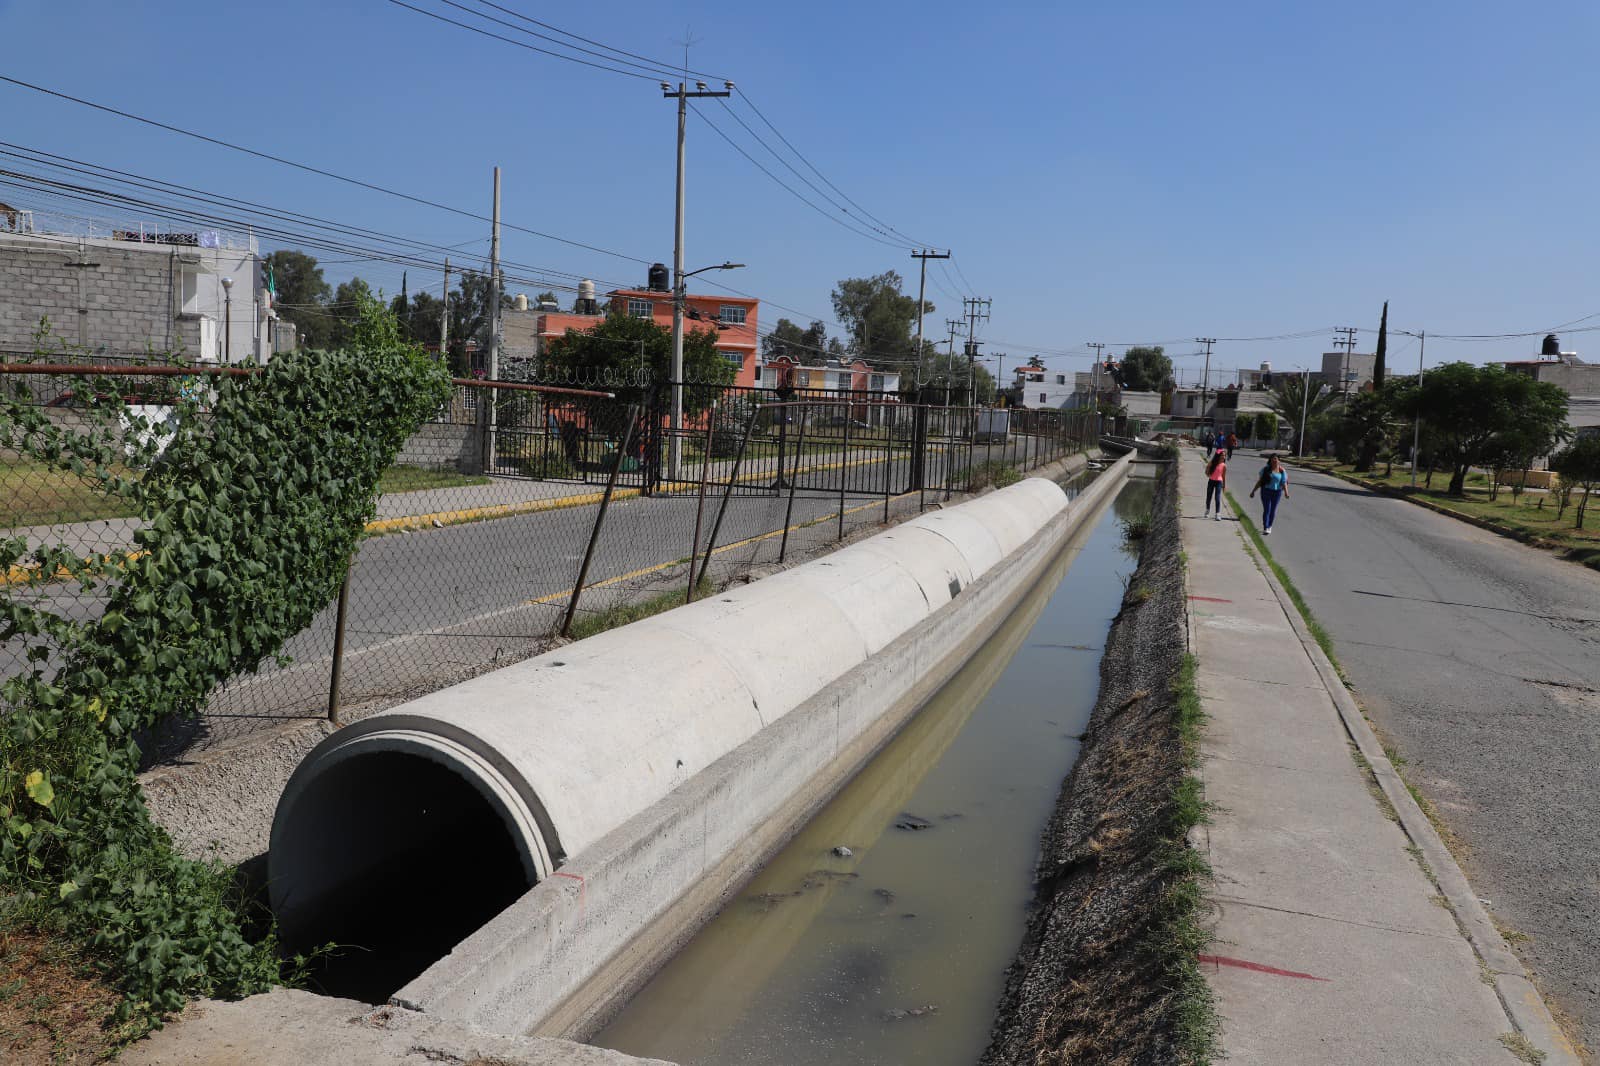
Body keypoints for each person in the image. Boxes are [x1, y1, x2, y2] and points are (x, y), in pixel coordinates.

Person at [1250, 453, 1290, 534]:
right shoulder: (1266, 469)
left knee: (1273, 510)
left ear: (1279, 460)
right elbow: (1260, 481)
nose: (1274, 460)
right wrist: (1253, 491)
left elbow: (1284, 482)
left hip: (1277, 492)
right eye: (1273, 459)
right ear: (1270, 460)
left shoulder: (1282, 471)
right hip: (1266, 491)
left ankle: (1269, 526)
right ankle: (1265, 527)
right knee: (1267, 509)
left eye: (1276, 459)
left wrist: (1286, 492)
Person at [1204, 449, 1227, 520]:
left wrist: (1224, 486)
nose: (1223, 457)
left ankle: (1217, 514)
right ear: (1219, 456)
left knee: (1217, 498)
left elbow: (1223, 476)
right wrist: (1208, 474)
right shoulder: (1212, 463)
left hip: (1219, 482)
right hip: (1211, 481)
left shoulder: (1224, 465)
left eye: (1224, 455)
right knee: (1209, 497)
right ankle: (1207, 510)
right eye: (1222, 455)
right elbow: (1206, 471)